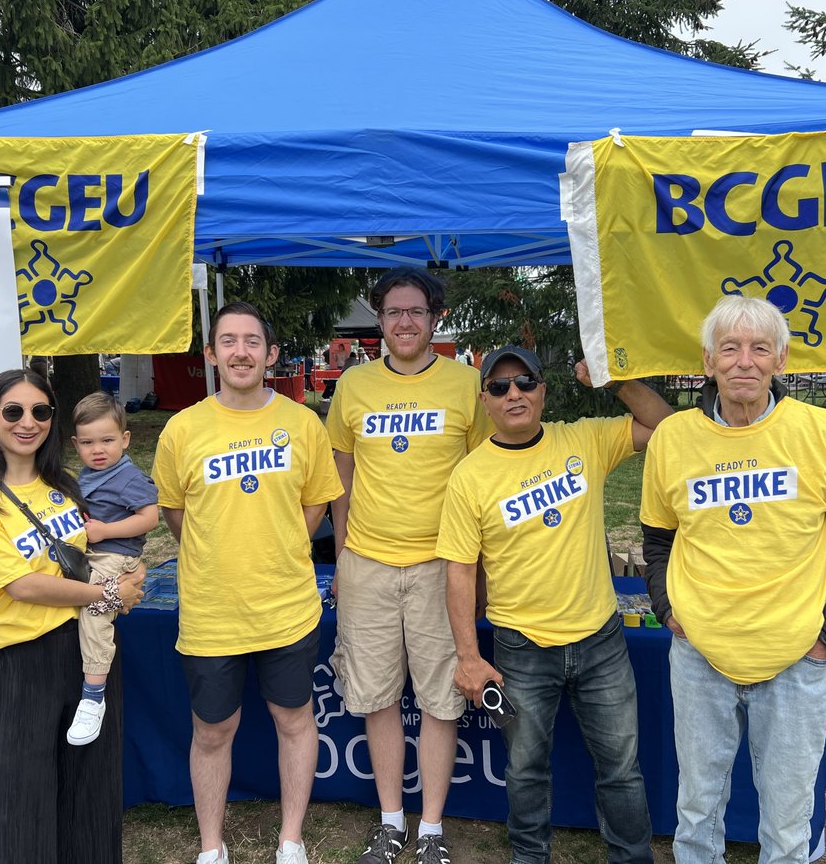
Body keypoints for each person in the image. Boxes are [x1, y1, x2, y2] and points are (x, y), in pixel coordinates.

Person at [639, 296, 826, 864]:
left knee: (786, 821)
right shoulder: (674, 439)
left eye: (759, 349)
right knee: (696, 811)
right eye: (729, 348)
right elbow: (658, 539)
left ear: (781, 359)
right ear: (708, 362)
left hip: (796, 661)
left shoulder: (824, 433)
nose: (743, 362)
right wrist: (667, 607)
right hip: (700, 656)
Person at [438, 346, 670, 864]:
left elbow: (664, 425)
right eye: (499, 387)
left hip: (600, 641)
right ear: (484, 401)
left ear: (543, 389)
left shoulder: (583, 438)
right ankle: (529, 858)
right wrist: (469, 657)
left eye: (523, 382)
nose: (513, 394)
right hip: (521, 648)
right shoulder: (470, 476)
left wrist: (613, 381)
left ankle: (632, 858)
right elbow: (458, 571)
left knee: (621, 769)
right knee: (525, 770)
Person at [152, 301, 343, 864]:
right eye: (228, 342)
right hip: (213, 610)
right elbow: (176, 516)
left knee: (294, 719)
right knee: (213, 731)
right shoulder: (181, 430)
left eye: (252, 342)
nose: (240, 352)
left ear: (271, 354)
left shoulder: (302, 423)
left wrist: (274, 546)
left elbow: (314, 509)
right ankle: (212, 847)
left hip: (285, 605)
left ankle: (291, 839)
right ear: (211, 354)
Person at [0, 369, 146, 864]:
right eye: (13, 411)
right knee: (20, 800)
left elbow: (109, 553)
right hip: (24, 662)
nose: (27, 422)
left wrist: (129, 579)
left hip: (87, 654)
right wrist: (107, 594)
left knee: (90, 790)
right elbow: (21, 585)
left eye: (40, 411)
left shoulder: (65, 485)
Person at [326, 266, 491, 864]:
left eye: (415, 312)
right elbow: (339, 478)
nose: (403, 322)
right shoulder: (354, 386)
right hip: (367, 563)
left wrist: (477, 575)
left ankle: (431, 830)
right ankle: (392, 821)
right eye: (393, 311)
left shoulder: (467, 384)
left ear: (434, 318)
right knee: (376, 699)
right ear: (379, 318)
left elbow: (483, 481)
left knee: (441, 701)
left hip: (440, 567)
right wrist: (342, 557)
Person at [66, 392, 159, 745]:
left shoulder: (128, 477)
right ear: (76, 444)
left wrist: (106, 531)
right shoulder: (87, 475)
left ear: (125, 439)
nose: (98, 449)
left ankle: (93, 695)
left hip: (114, 556)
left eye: (107, 440)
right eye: (88, 442)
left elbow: (150, 518)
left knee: (95, 611)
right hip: (94, 553)